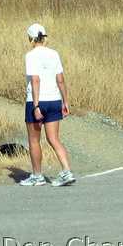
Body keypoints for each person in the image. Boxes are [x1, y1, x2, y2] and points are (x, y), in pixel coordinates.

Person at [19, 23, 76, 187]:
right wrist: (65, 101)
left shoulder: (30, 56)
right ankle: (67, 171)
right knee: (54, 139)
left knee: (34, 140)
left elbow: (35, 80)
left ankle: (37, 176)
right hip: (54, 100)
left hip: (37, 101)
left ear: (30, 39)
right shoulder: (54, 54)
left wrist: (36, 106)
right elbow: (61, 79)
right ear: (44, 37)